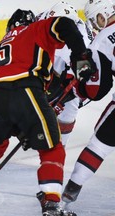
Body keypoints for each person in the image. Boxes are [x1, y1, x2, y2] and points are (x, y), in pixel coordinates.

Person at [0, 8, 97, 216]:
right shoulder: (34, 29)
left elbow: (5, 86)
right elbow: (66, 24)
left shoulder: (0, 46)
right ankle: (50, 202)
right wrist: (81, 57)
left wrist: (22, 126)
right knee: (52, 147)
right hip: (25, 88)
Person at [62, 0, 114, 205]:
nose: (94, 25)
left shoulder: (100, 41)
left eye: (95, 19)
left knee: (99, 145)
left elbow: (97, 90)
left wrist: (77, 89)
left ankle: (72, 189)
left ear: (104, 13)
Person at [37, 1, 93, 146]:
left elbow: (84, 78)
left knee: (71, 105)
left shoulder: (80, 41)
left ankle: (60, 145)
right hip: (49, 64)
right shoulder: (42, 19)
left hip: (68, 71)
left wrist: (62, 97)